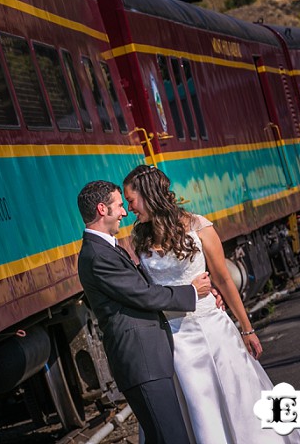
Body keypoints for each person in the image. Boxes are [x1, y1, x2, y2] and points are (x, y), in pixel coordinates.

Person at [123, 165, 300, 444]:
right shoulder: (141, 238)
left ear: (149, 195)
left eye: (132, 200)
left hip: (213, 329)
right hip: (175, 342)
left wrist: (247, 329)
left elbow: (223, 279)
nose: (129, 208)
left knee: (240, 398)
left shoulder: (199, 226)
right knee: (200, 408)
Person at [76, 180, 212, 444]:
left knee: (163, 437)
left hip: (147, 360)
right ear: (102, 209)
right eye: (118, 205)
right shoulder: (97, 255)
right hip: (142, 361)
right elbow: (143, 294)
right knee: (172, 438)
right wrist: (192, 292)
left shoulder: (105, 248)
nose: (124, 212)